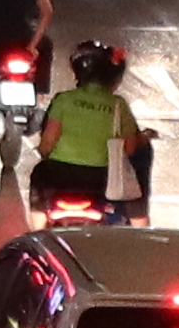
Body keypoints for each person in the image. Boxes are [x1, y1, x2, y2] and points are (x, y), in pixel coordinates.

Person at [34, 36, 149, 218]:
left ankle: (39, 231)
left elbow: (47, 143)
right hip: (100, 180)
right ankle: (139, 219)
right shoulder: (118, 105)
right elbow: (130, 148)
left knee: (38, 180)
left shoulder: (64, 100)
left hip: (58, 176)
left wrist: (44, 152)